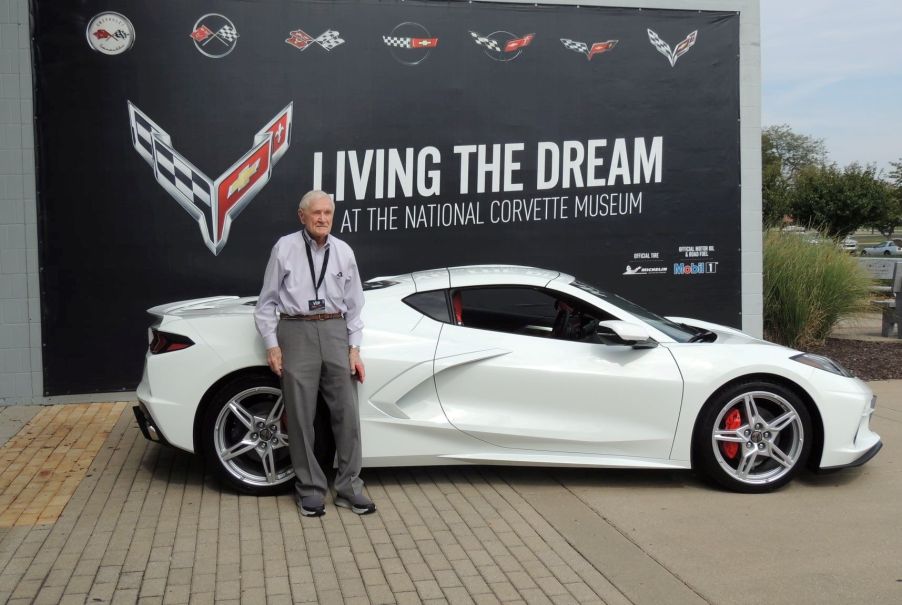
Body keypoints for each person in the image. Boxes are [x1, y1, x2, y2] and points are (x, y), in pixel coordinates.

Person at [254, 190, 375, 516]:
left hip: (336, 331)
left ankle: (350, 487)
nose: (322, 219)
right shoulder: (285, 248)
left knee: (347, 415)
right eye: (316, 213)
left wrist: (354, 348)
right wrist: (272, 345)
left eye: (327, 213)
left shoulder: (344, 252)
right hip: (296, 330)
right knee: (300, 416)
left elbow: (355, 306)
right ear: (302, 216)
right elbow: (266, 304)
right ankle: (310, 490)